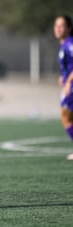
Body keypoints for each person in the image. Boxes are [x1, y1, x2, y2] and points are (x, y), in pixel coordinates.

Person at [54, 15, 73, 160]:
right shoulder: (64, 44)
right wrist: (64, 78)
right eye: (56, 26)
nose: (58, 29)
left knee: (66, 115)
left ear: (69, 28)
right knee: (67, 115)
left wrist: (68, 82)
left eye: (62, 26)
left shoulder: (69, 44)